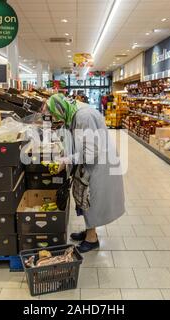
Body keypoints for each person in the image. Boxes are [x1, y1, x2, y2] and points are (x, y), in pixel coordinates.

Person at [45, 94, 126, 253]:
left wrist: (67, 160)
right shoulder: (76, 112)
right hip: (94, 161)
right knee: (86, 199)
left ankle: (92, 239)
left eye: (55, 116)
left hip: (98, 164)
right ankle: (90, 230)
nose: (56, 119)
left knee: (91, 200)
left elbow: (91, 151)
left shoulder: (84, 116)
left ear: (60, 109)